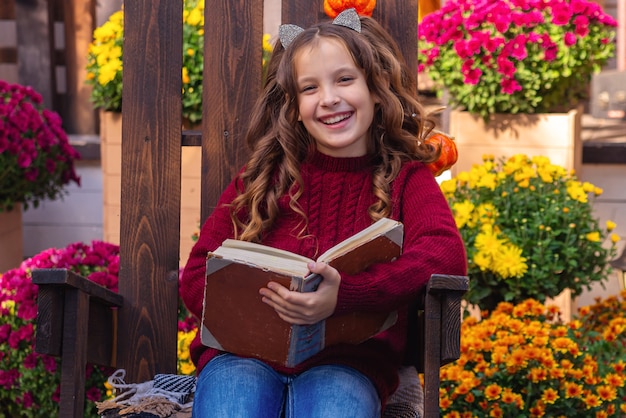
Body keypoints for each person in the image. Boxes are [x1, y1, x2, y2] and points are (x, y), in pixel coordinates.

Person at [180, 8, 467, 418]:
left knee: (336, 408)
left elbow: (445, 256)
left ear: (374, 87)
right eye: (309, 88)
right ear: (295, 107)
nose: (329, 98)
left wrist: (344, 296)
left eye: (345, 79)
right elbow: (194, 279)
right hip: (242, 356)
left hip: (348, 362)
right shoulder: (263, 178)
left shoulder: (406, 178)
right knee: (234, 407)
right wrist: (267, 306)